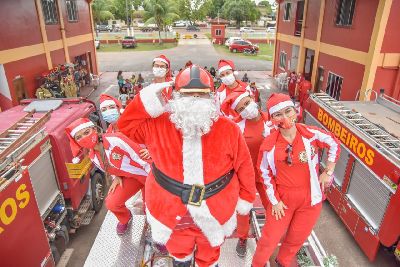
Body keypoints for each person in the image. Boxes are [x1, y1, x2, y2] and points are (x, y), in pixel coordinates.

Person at [117, 65, 255, 267]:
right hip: (171, 212)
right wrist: (148, 100)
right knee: (179, 254)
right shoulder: (157, 125)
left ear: (211, 97)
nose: (195, 99)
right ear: (176, 96)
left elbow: (244, 165)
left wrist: (247, 197)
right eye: (189, 94)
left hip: (215, 210)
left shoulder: (229, 129)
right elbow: (126, 125)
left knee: (209, 255)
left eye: (201, 94)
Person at [252, 93, 340, 267]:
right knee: (269, 239)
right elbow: (264, 173)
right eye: (278, 114)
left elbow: (334, 143)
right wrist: (275, 201)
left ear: (295, 110)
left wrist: (329, 171)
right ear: (272, 118)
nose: (285, 117)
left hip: (311, 198)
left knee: (297, 237)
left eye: (288, 111)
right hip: (283, 200)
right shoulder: (269, 145)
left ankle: (283, 261)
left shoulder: (310, 134)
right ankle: (257, 264)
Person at [65, 118, 151, 235]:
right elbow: (108, 168)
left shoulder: (115, 140)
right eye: (79, 137)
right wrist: (116, 176)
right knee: (112, 203)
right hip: (131, 178)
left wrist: (157, 181)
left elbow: (141, 158)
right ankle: (125, 218)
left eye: (86, 132)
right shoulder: (92, 156)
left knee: (151, 208)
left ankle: (156, 231)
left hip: (149, 175)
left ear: (94, 129)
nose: (84, 138)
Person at [221, 90, 274, 257]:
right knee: (243, 210)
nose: (246, 108)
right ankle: (243, 238)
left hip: (267, 176)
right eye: (241, 108)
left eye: (247, 103)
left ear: (253, 98)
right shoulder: (236, 126)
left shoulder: (272, 119)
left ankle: (272, 236)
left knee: (272, 206)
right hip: (245, 176)